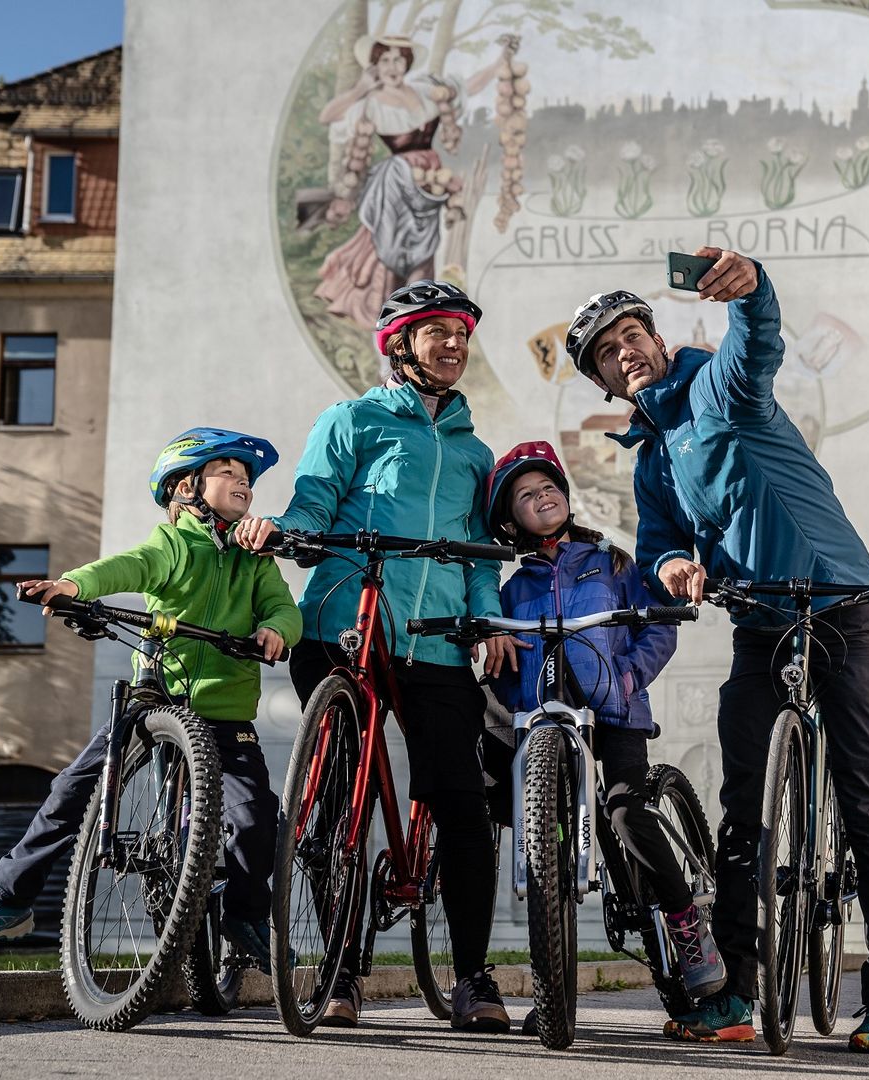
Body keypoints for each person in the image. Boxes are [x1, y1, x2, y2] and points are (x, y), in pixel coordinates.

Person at [565, 248, 869, 1054]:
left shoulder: (715, 388)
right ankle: (734, 997)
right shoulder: (653, 458)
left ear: (655, 338)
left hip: (842, 606)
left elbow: (755, 344)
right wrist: (672, 564)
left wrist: (753, 285)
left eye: (631, 335)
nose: (627, 352)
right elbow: (657, 541)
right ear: (607, 383)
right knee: (742, 818)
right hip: (758, 620)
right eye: (608, 354)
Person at [233, 279, 518, 1032]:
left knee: (459, 802)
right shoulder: (352, 419)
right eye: (439, 332)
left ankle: (474, 979)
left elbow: (482, 553)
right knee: (335, 809)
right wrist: (284, 529)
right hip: (340, 625)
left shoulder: (474, 451)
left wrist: (487, 616)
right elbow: (316, 496)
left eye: (461, 334)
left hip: (436, 635)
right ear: (400, 344)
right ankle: (340, 972)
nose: (454, 344)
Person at [0, 428, 301, 976]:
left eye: (247, 476)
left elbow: (284, 609)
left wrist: (276, 630)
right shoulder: (172, 546)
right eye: (227, 471)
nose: (242, 481)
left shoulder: (256, 562)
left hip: (227, 715)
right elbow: (122, 568)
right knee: (69, 791)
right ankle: (7, 900)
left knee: (256, 817)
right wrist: (72, 586)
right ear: (185, 488)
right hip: (155, 702)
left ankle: (243, 916)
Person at [483, 440, 724, 1005]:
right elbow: (506, 656)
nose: (541, 498)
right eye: (525, 495)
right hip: (544, 719)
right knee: (509, 804)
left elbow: (659, 626)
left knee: (625, 808)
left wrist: (626, 679)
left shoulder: (614, 562)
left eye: (548, 488)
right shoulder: (514, 589)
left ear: (565, 497)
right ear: (510, 519)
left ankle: (686, 924)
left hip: (615, 709)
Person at [312, 33, 501, 327]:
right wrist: (360, 89)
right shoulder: (371, 102)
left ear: (407, 63)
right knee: (391, 258)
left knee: (422, 256)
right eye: (384, 60)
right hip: (395, 183)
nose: (392, 66)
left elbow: (469, 86)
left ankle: (416, 331)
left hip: (428, 185)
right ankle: (387, 344)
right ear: (375, 65)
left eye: (398, 59)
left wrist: (500, 63)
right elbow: (327, 116)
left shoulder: (426, 91)